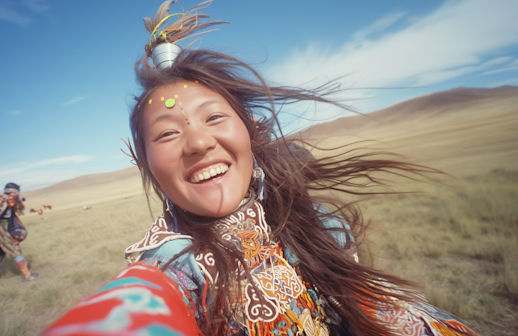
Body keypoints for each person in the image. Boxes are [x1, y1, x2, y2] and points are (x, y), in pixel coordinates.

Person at [44, 2, 480, 335]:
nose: (197, 142)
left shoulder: (314, 221)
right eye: (167, 134)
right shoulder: (173, 269)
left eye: (214, 118)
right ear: (144, 161)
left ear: (250, 130)